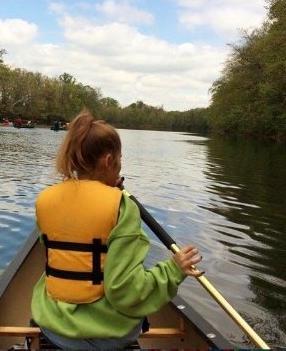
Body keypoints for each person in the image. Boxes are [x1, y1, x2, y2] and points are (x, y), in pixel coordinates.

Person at [31, 109, 203, 350]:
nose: (120, 169)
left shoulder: (45, 200)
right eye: (119, 162)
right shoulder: (122, 207)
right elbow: (124, 292)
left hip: (53, 328)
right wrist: (173, 270)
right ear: (109, 161)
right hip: (106, 337)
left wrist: (108, 186)